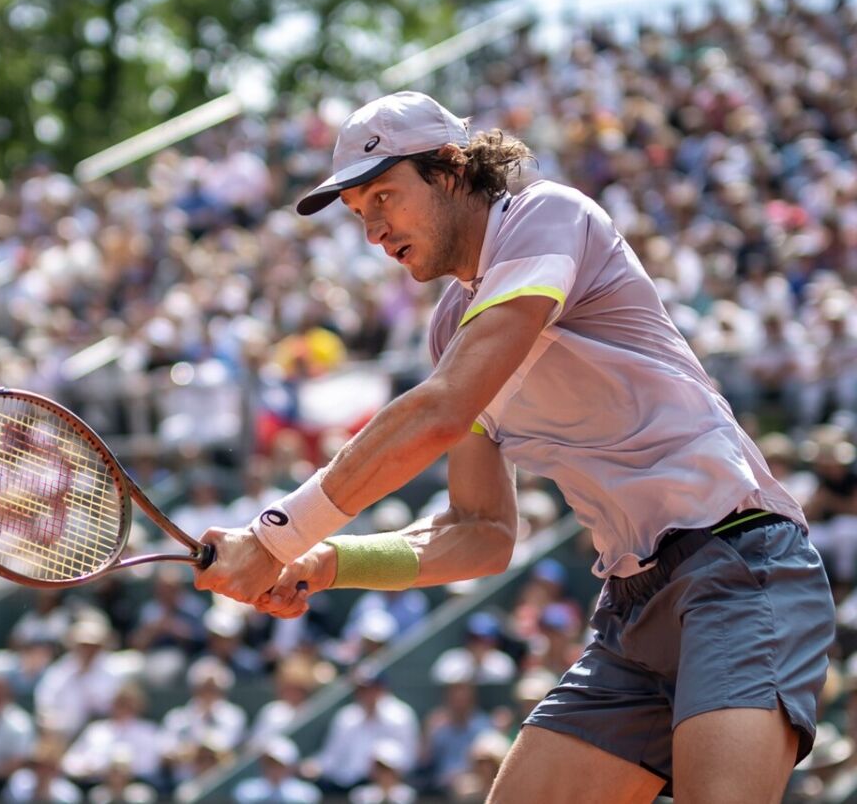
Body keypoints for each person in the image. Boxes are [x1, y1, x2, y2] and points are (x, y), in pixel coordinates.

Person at [194, 90, 835, 803]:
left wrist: (277, 534)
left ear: (447, 169)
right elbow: (482, 536)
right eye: (358, 213)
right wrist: (325, 562)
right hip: (631, 609)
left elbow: (441, 412)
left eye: (383, 196)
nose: (373, 230)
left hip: (743, 565)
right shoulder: (449, 329)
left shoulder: (547, 215)